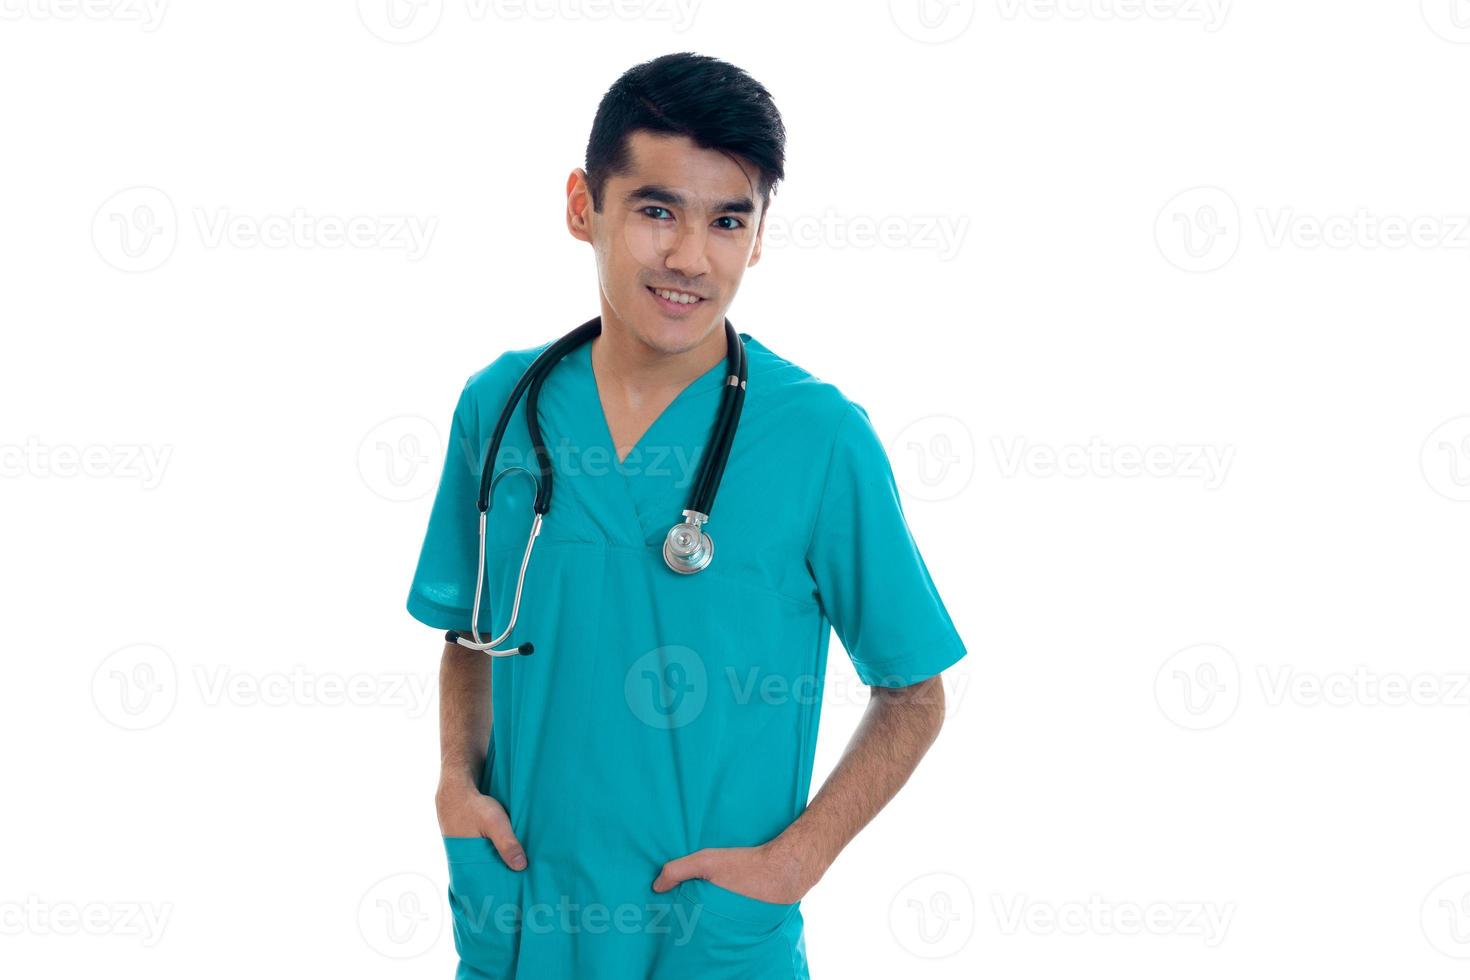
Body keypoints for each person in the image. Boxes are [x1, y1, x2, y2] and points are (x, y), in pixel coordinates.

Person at [406, 51, 967, 979]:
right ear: (585, 205)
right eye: (657, 210)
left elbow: (915, 692)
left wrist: (798, 861)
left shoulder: (820, 439)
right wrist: (456, 786)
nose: (689, 257)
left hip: (708, 942)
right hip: (519, 925)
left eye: (727, 220)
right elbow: (469, 635)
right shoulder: (498, 407)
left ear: (758, 237)